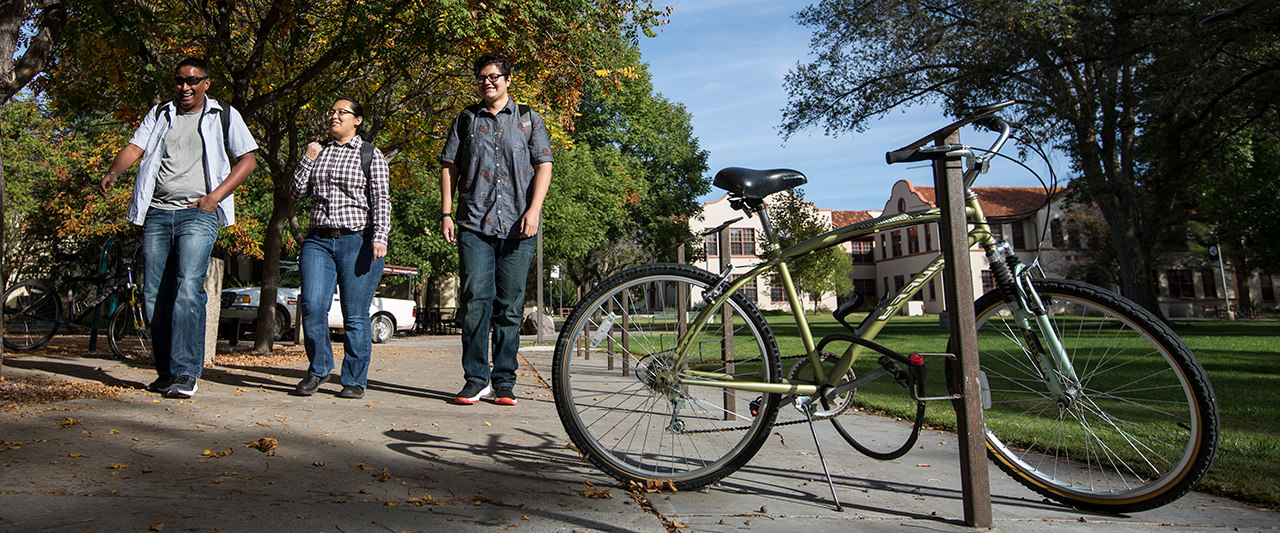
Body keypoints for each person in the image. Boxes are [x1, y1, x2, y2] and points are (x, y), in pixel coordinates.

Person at [98, 58, 258, 398]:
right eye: (179, 82)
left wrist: (214, 197)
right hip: (157, 213)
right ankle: (167, 372)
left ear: (206, 83)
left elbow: (248, 160)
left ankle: (187, 372)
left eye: (192, 81)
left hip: (198, 213)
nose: (185, 87)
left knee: (188, 289)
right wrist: (114, 171)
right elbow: (135, 147)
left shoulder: (223, 114)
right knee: (154, 295)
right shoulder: (160, 114)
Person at [440, 52, 554, 406]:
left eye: (493, 76)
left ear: (507, 80)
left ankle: (504, 380)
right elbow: (448, 167)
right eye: (481, 77)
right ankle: (476, 379)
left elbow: (544, 164)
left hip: (520, 225)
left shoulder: (528, 119)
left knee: (510, 306)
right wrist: (446, 212)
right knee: (476, 301)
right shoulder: (465, 119)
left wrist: (534, 210)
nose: (487, 82)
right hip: (474, 222)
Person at [289, 97, 391, 400]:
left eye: (342, 112)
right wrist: (307, 158)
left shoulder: (370, 154)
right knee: (312, 306)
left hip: (357, 240)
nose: (334, 116)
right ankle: (318, 369)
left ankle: (354, 379)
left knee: (355, 314)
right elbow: (295, 192)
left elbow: (381, 199)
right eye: (331, 111)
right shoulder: (318, 151)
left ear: (357, 120)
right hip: (318, 240)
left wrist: (380, 236)